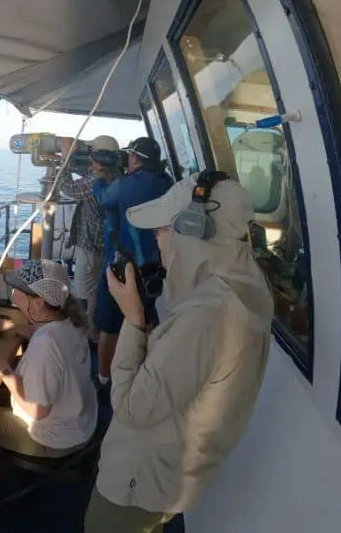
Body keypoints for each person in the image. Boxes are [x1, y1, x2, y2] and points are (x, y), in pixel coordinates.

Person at [84, 175, 274, 533]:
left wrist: (133, 320)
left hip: (136, 486)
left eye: (161, 231)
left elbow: (130, 408)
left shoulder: (205, 317)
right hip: (169, 478)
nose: (156, 240)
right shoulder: (241, 289)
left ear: (193, 230)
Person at [0, 260, 98, 497]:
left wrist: (1, 367)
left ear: (37, 303)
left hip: (57, 439)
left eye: (19, 290)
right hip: (81, 419)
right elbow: (41, 332)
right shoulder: (71, 321)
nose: (14, 294)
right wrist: (9, 326)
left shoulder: (45, 347)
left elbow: (37, 412)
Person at [92, 137, 173, 386]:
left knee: (109, 327)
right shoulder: (167, 183)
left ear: (135, 158)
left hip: (121, 267)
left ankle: (104, 378)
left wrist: (99, 178)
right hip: (154, 268)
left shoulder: (127, 184)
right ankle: (141, 374)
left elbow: (104, 199)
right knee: (145, 321)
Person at [56, 135, 123, 339]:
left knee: (83, 292)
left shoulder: (99, 179)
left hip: (92, 244)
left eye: (94, 155)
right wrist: (63, 159)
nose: (91, 159)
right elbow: (87, 170)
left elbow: (69, 189)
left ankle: (81, 336)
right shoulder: (115, 172)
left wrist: (65, 159)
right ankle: (93, 331)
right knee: (95, 293)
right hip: (104, 242)